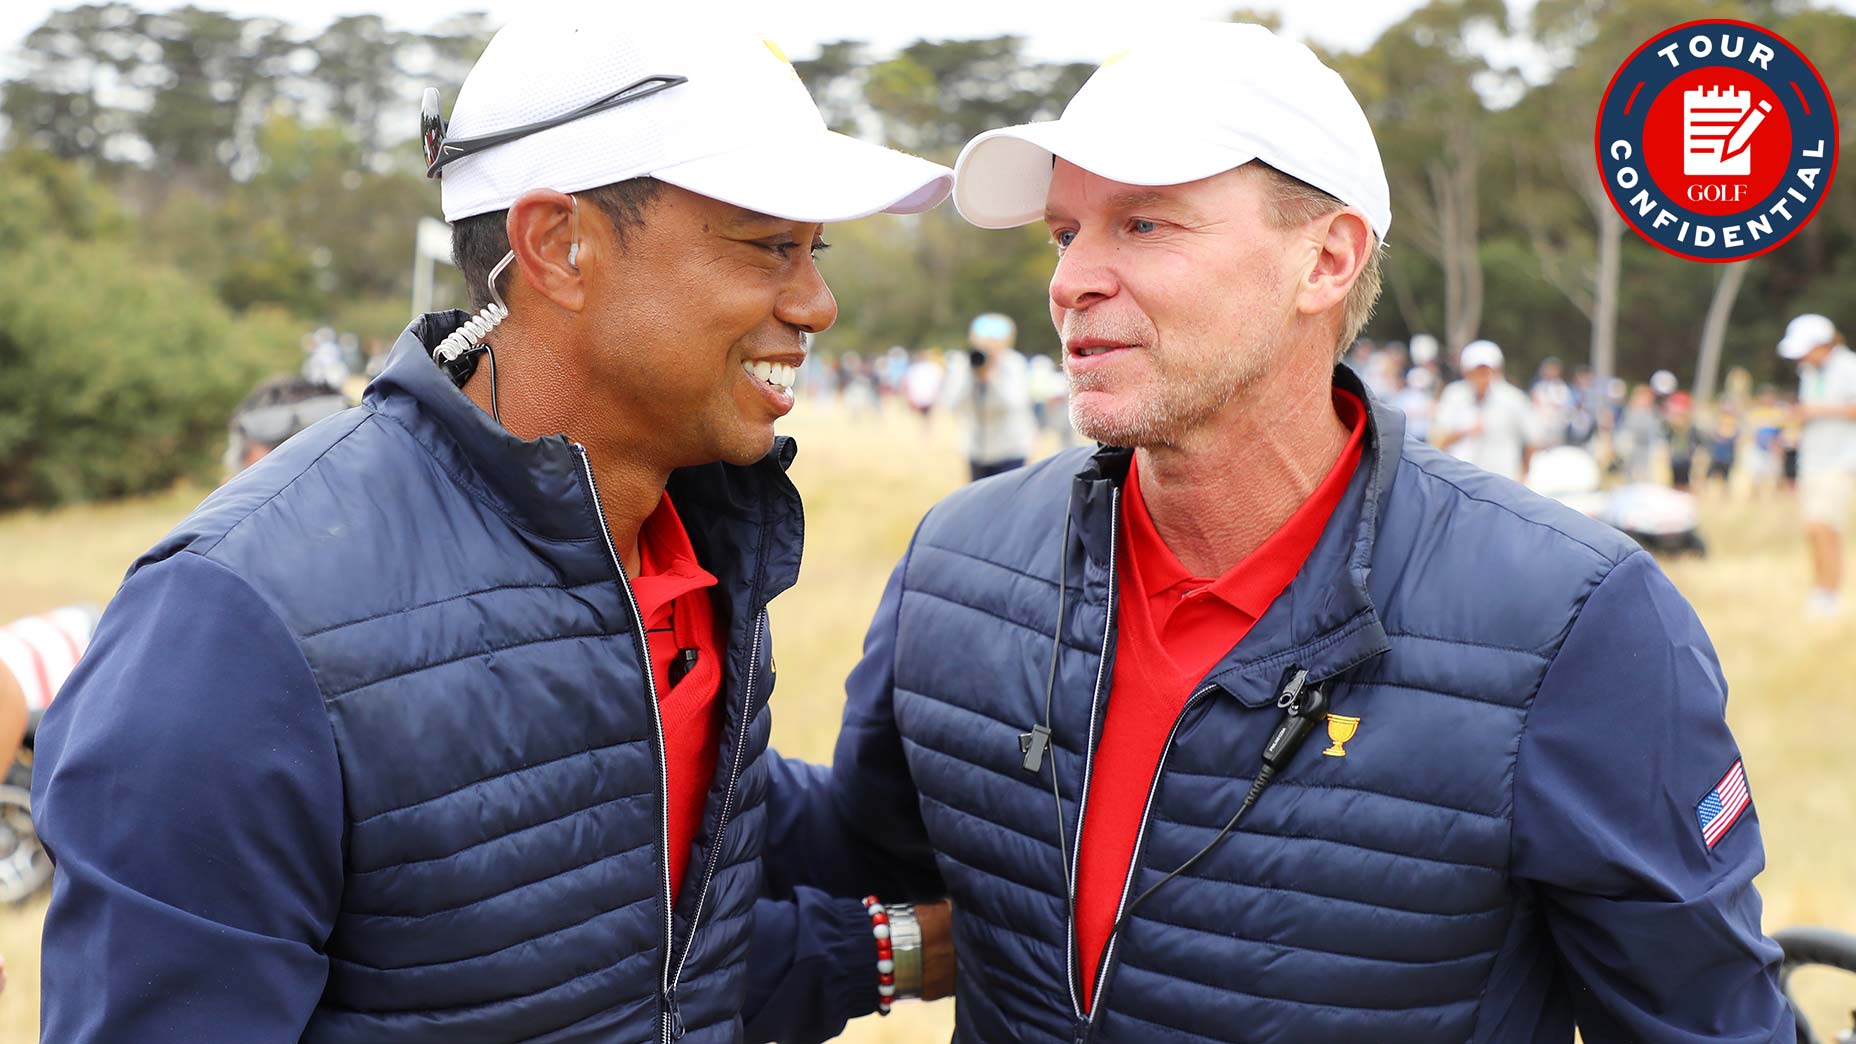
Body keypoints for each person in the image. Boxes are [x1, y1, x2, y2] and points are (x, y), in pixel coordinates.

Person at [764, 23, 1791, 1042]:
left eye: (1144, 225)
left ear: (1325, 260)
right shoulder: (959, 556)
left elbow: (1701, 1022)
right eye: (1065, 233)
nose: (1069, 280)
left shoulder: (1570, 619)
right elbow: (869, 851)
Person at [33, 13, 954, 1043]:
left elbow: (639, 962)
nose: (817, 302)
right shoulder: (235, 623)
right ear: (557, 246)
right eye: (766, 246)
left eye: (812, 250)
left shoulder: (688, 542)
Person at [1778, 313, 1856, 616]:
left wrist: (1818, 410)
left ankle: (1828, 593)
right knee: (1816, 530)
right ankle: (1822, 590)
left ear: (1821, 345)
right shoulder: (1809, 373)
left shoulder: (1849, 367)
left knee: (1823, 525)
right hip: (1813, 460)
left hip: (1840, 461)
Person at [941, 312, 1037, 481]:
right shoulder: (964, 365)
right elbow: (952, 403)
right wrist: (970, 375)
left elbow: (1012, 404)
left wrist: (991, 377)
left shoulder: (1014, 364)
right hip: (976, 450)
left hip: (1011, 449)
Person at [1433, 339, 1537, 482]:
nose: (1484, 377)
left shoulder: (1513, 399)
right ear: (1466, 371)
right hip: (1461, 484)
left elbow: (1532, 439)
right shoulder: (1454, 395)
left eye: (1487, 371)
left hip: (1502, 483)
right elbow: (1437, 440)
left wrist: (1524, 474)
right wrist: (1464, 432)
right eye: (1478, 371)